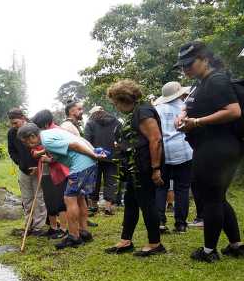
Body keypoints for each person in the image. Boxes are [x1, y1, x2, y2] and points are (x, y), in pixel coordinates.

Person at [174, 41, 243, 262]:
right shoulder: (200, 83)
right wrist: (182, 116)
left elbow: (233, 111)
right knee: (217, 197)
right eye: (182, 66)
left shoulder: (217, 80)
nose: (185, 69)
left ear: (204, 59)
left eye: (189, 64)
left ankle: (208, 251)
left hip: (219, 147)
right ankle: (236, 245)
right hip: (209, 146)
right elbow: (191, 105)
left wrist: (197, 121)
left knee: (210, 198)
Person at [17, 122, 106, 250]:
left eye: (26, 142)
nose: (26, 145)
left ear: (32, 136)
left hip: (81, 165)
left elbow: (75, 145)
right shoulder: (49, 133)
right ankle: (84, 232)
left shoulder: (47, 141)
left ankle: (74, 237)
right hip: (88, 163)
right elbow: (70, 146)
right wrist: (49, 160)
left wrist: (94, 154)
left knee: (69, 198)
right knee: (80, 197)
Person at [104, 80, 166, 257]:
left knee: (147, 203)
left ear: (123, 99)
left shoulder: (143, 111)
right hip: (134, 168)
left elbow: (156, 139)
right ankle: (126, 240)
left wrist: (156, 169)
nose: (115, 107)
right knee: (130, 201)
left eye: (115, 103)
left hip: (146, 166)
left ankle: (155, 243)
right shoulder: (133, 114)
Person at [152, 81, 194, 234]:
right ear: (178, 93)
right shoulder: (185, 108)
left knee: (160, 187)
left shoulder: (156, 110)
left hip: (162, 153)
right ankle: (181, 224)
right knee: (182, 188)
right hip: (184, 152)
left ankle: (160, 222)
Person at [7, 108, 47, 237]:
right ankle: (29, 225)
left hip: (38, 168)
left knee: (39, 198)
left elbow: (44, 148)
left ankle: (39, 227)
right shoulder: (12, 133)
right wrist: (21, 163)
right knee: (27, 199)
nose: (13, 126)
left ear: (23, 118)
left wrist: (38, 165)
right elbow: (12, 151)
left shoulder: (34, 129)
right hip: (23, 171)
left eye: (15, 122)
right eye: (11, 123)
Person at [31, 109, 68, 239]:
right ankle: (53, 227)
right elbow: (34, 150)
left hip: (59, 171)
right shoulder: (41, 133)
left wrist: (49, 158)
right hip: (45, 171)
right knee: (49, 200)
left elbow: (64, 152)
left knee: (60, 200)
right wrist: (41, 153)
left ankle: (63, 229)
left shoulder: (58, 131)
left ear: (46, 123)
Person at [84, 106, 121, 215]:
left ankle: (93, 206)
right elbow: (121, 138)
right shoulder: (116, 122)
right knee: (111, 181)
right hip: (112, 156)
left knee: (94, 181)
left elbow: (86, 140)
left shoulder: (90, 123)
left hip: (95, 156)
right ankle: (108, 207)